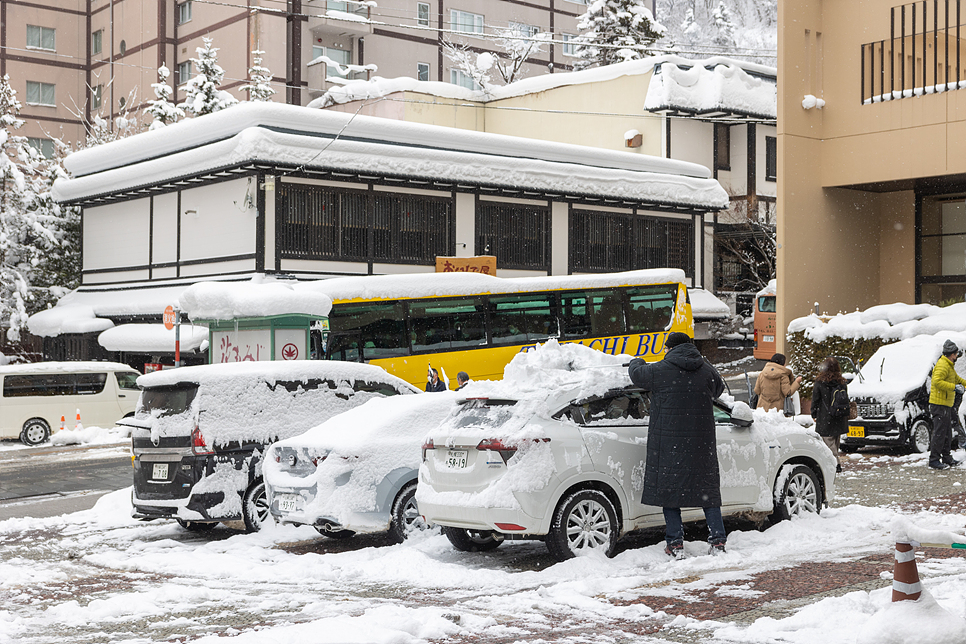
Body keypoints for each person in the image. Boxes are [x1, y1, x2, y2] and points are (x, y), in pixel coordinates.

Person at [628, 331, 727, 558]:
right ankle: (718, 541)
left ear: (669, 348)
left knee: (670, 493)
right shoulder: (705, 370)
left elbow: (637, 374)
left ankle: (675, 543)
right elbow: (718, 388)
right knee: (708, 492)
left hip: (670, 443)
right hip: (701, 444)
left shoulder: (660, 370)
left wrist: (637, 360)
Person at [927, 340, 966, 470]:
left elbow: (957, 380)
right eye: (956, 354)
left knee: (947, 433)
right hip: (939, 404)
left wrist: (963, 384)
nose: (956, 357)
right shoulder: (943, 365)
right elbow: (937, 381)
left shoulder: (949, 365)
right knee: (939, 433)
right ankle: (934, 460)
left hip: (946, 405)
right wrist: (954, 387)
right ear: (951, 354)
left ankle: (947, 458)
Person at [810, 357, 849, 474]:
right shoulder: (842, 382)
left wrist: (814, 413)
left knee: (827, 442)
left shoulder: (820, 382)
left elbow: (815, 400)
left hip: (825, 416)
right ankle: (834, 461)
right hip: (840, 416)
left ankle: (835, 464)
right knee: (835, 441)